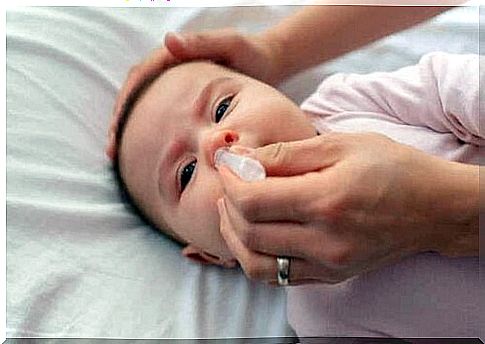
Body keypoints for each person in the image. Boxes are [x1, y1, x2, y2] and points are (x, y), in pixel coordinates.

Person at [109, 4, 480, 338]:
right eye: (186, 173)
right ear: (212, 256)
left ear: (274, 91)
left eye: (222, 108)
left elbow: (459, 87)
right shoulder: (318, 319)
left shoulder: (347, 104)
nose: (214, 143)